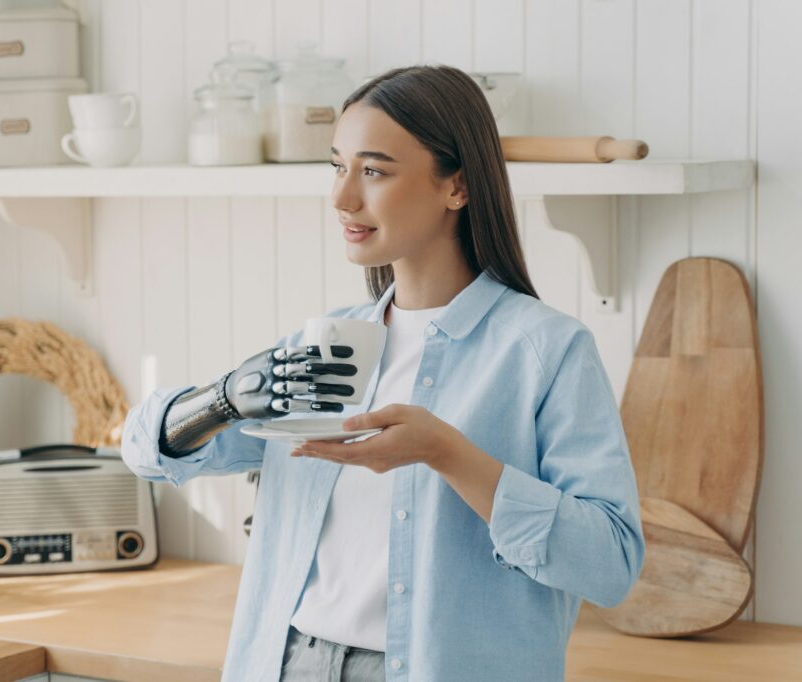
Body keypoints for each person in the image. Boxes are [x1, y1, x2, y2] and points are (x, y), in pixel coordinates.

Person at [120, 64, 644, 682]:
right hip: (288, 664)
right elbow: (147, 452)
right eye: (337, 167)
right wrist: (225, 399)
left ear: (457, 186)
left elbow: (610, 565)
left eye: (373, 171)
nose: (343, 198)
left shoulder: (545, 352)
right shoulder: (323, 346)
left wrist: (448, 453)